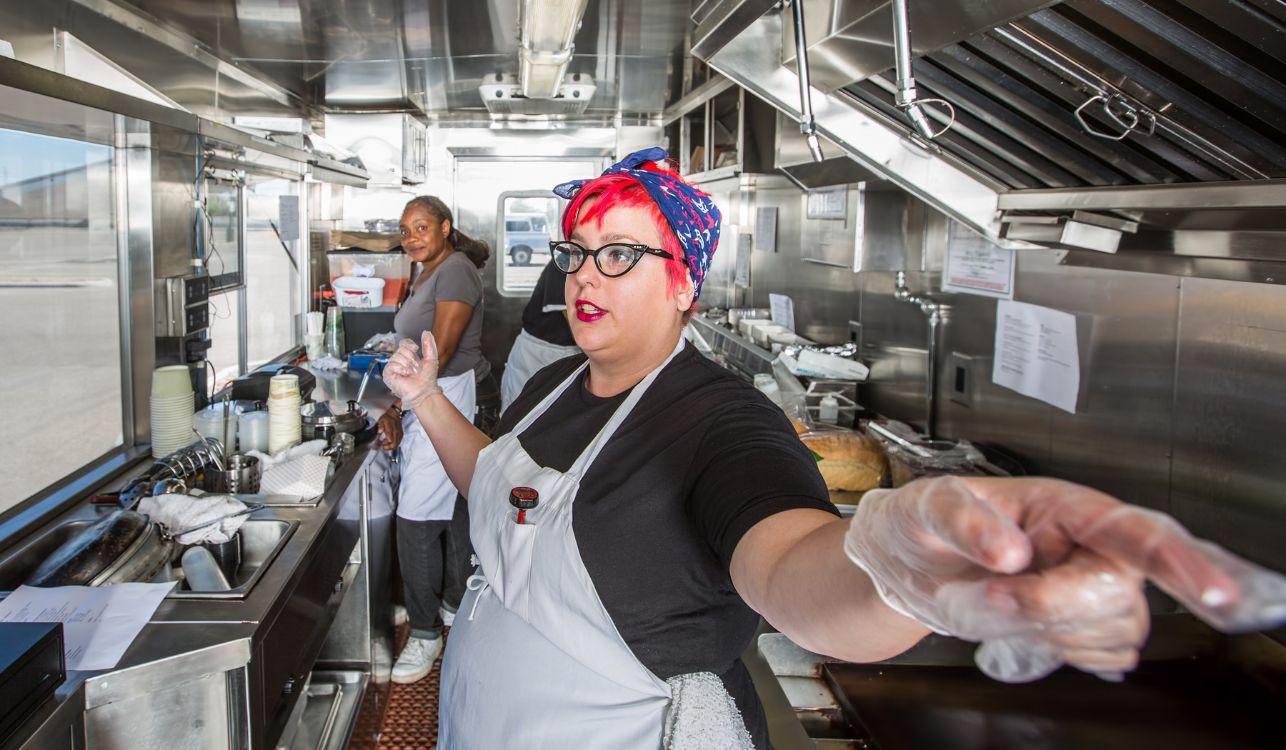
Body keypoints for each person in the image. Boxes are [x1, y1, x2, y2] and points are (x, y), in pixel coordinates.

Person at [382, 149, 1286, 748]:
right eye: (578, 253)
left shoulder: (720, 422)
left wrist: (897, 571)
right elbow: (495, 487)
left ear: (686, 284)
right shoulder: (551, 389)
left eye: (622, 255)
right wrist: (424, 399)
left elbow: (797, 569)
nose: (584, 276)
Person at [374, 195, 489, 684]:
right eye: (405, 230)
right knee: (444, 507)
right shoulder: (428, 269)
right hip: (428, 392)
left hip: (445, 392)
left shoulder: (456, 269)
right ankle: (446, 604)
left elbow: (438, 348)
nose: (412, 237)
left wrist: (397, 406)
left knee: (417, 515)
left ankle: (425, 635)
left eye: (422, 227)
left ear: (445, 226)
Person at [499, 258, 581, 413]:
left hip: (569, 354)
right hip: (538, 355)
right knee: (520, 418)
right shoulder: (565, 261)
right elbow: (579, 329)